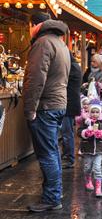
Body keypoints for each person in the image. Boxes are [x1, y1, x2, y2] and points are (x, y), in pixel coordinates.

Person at [23, 12, 71, 212]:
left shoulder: (43, 43)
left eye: (30, 26)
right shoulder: (60, 43)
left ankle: (51, 197)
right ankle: (54, 193)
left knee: (47, 154)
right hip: (58, 104)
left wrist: (29, 110)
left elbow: (35, 80)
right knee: (52, 152)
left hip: (45, 106)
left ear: (37, 25)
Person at [78, 99, 102, 197]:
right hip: (87, 149)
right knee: (87, 167)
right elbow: (79, 132)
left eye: (97, 112)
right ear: (89, 112)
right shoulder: (85, 122)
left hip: (99, 149)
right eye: (93, 112)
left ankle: (98, 188)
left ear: (100, 112)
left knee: (97, 168)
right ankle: (88, 180)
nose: (95, 114)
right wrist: (85, 133)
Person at [61, 52, 82, 169]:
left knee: (67, 133)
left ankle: (69, 158)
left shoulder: (72, 68)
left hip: (69, 104)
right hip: (70, 103)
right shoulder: (74, 66)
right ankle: (67, 155)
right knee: (67, 132)